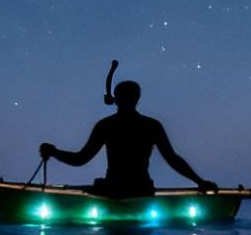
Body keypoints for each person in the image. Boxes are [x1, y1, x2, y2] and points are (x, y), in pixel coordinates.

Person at [39, 80, 218, 197]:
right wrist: (200, 182)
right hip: (142, 190)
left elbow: (81, 159)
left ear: (115, 99)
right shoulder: (151, 125)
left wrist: (54, 152)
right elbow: (173, 159)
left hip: (112, 190)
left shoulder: (106, 125)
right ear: (137, 99)